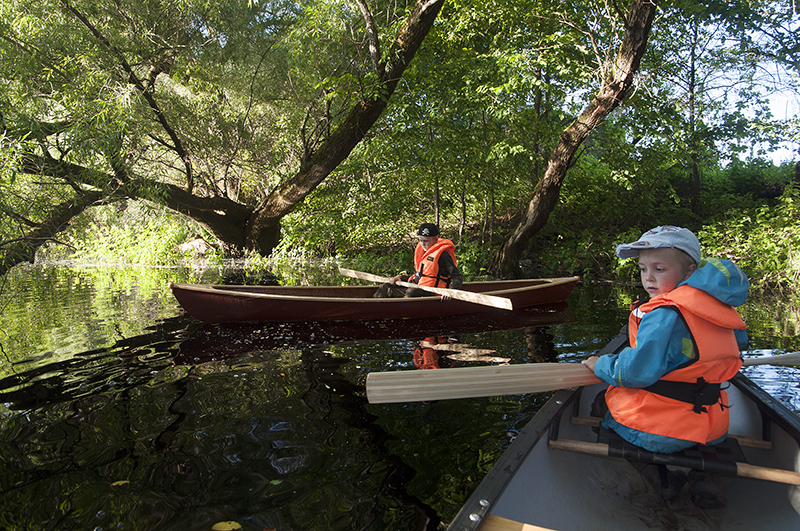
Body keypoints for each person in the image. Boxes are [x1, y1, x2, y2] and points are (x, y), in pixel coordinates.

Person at [582, 225, 749, 508]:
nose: (649, 278)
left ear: (688, 272)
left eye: (659, 269)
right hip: (714, 424)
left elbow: (635, 373)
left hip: (664, 430)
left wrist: (600, 365)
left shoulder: (663, 312)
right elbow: (736, 346)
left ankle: (663, 479)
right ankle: (705, 477)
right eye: (643, 269)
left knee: (603, 405)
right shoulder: (720, 306)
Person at [373, 223, 463, 299]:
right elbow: (420, 276)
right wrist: (401, 277)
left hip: (432, 293)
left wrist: (450, 291)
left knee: (412, 292)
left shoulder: (443, 255)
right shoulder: (423, 253)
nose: (423, 244)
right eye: (420, 240)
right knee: (386, 287)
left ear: (436, 239)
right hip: (416, 289)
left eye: (426, 241)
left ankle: (402, 312)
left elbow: (457, 277)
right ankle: (373, 308)